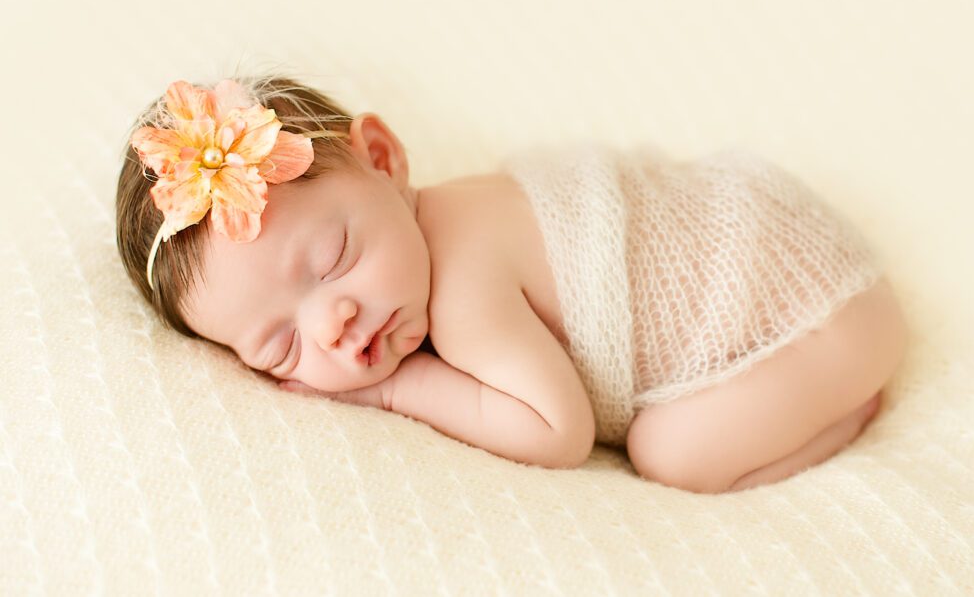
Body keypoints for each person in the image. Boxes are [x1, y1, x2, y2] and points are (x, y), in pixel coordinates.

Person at [115, 71, 909, 493]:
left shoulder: (463, 285)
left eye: (332, 261)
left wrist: (395, 391)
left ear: (386, 161)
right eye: (279, 347)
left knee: (672, 454)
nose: (332, 326)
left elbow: (554, 432)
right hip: (787, 242)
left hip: (821, 311)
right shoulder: (442, 220)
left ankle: (844, 412)